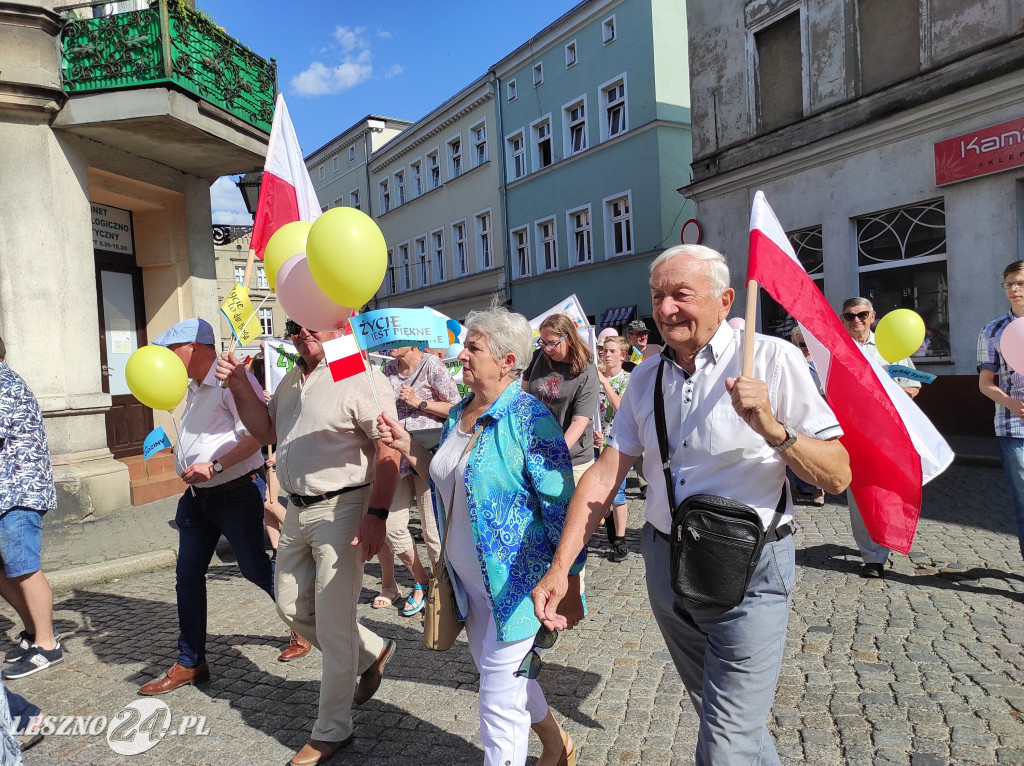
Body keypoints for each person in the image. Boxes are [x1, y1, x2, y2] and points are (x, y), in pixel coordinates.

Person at [533, 245, 851, 766]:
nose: (666, 308)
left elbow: (837, 474)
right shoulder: (646, 376)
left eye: (682, 294)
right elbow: (606, 475)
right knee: (726, 720)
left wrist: (774, 429)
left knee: (725, 744)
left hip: (749, 568)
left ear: (726, 300)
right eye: (658, 296)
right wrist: (561, 567)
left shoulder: (771, 358)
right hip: (665, 561)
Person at [377, 303, 584, 766]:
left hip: (516, 587)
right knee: (507, 679)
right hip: (467, 583)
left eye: (473, 347)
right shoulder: (459, 414)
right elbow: (445, 477)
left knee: (497, 697)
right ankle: (557, 742)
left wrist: (567, 581)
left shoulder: (532, 421)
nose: (461, 355)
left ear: (508, 361)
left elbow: (563, 510)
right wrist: (407, 444)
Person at [217, 321, 401, 766]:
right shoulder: (293, 377)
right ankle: (371, 651)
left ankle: (331, 730)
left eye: (312, 325)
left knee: (335, 627)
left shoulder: (360, 373)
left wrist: (376, 515)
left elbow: (390, 450)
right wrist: (241, 384)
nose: (303, 333)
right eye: (296, 326)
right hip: (297, 509)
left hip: (344, 511)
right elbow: (266, 432)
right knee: (291, 607)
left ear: (339, 323)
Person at [138, 319, 300, 695]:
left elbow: (257, 436)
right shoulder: (193, 387)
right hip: (197, 500)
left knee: (256, 568)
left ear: (194, 347)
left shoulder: (233, 378)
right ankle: (190, 661)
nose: (164, 359)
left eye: (170, 350)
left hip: (235, 492)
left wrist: (214, 465)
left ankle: (303, 623)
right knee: (187, 576)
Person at [376, 344, 461, 616]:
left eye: (392, 341)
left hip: (428, 456)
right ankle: (422, 580)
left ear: (410, 342)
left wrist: (419, 402)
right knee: (392, 528)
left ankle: (443, 590)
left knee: (433, 532)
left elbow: (458, 408)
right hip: (397, 457)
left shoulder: (431, 365)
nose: (386, 347)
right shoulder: (388, 370)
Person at [840, 297, 920, 578]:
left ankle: (888, 535)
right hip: (853, 433)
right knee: (860, 493)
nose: (856, 321)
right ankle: (872, 557)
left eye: (862, 314)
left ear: (872, 316)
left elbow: (912, 385)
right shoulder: (837, 350)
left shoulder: (890, 346)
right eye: (849, 316)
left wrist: (889, 402)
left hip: (887, 434)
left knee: (886, 489)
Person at [0, 336, 62, 681]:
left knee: (24, 567)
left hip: (18, 493)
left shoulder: (4, 385)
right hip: (6, 493)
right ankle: (32, 632)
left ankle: (47, 645)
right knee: (6, 571)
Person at [978, 260, 1024, 563]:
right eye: (1009, 283)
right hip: (1013, 429)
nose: (1014, 289)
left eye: (1020, 283)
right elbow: (985, 383)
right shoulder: (993, 330)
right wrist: (1010, 403)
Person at [524, 314, 600, 488]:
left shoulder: (586, 372)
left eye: (552, 343)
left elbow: (579, 422)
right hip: (535, 453)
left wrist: (553, 455)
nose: (546, 348)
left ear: (570, 340)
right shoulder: (537, 358)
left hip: (572, 460)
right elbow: (524, 397)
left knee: (572, 514)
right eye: (542, 342)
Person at [594, 336, 630, 562]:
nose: (606, 355)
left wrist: (605, 383)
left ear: (622, 356)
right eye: (604, 351)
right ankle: (608, 520)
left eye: (612, 351)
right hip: (596, 440)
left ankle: (620, 540)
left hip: (618, 441)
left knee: (618, 491)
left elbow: (620, 408)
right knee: (597, 489)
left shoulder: (628, 379)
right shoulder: (594, 378)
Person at [788, 326, 825, 506]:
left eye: (810, 344)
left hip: (819, 409)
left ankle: (819, 488)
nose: (807, 349)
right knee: (797, 447)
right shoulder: (791, 360)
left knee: (818, 449)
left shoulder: (821, 362)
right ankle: (803, 483)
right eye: (803, 344)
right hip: (796, 409)